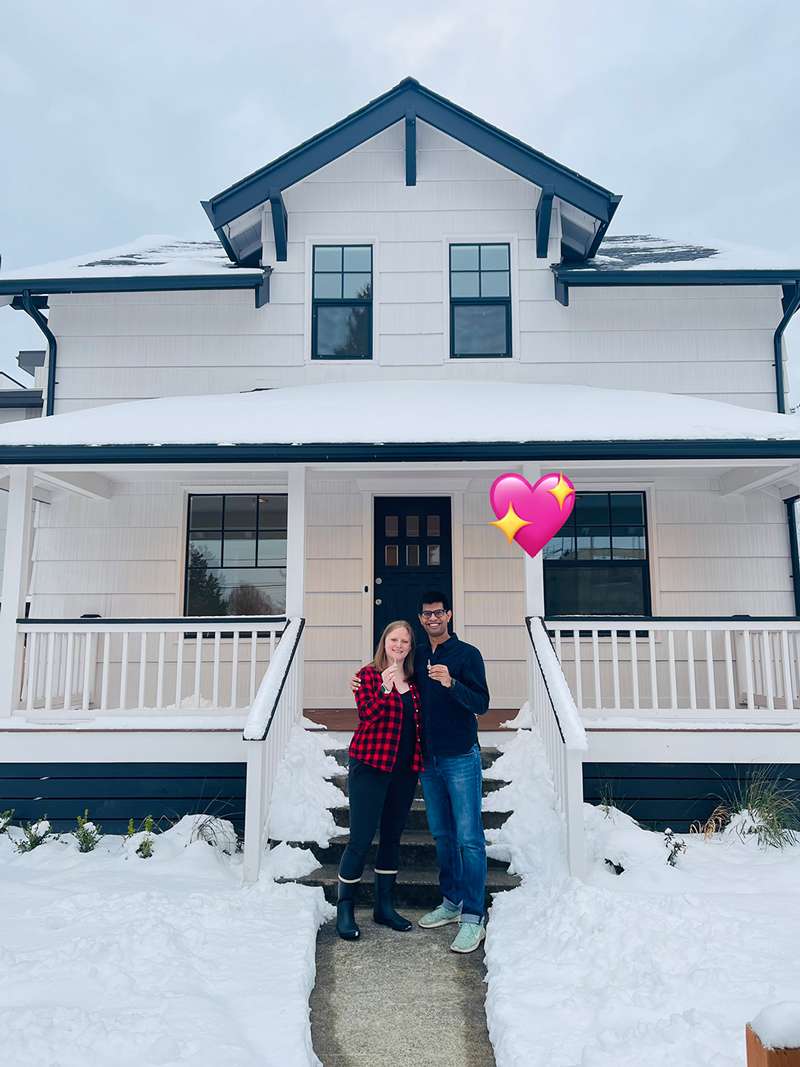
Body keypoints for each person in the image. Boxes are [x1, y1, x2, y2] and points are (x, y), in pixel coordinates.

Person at [354, 592, 490, 954]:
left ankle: (474, 917)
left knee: (469, 838)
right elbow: (390, 682)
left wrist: (452, 683)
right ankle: (450, 902)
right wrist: (363, 681)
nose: (433, 619)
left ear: (449, 615)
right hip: (427, 761)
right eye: (427, 614)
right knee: (442, 835)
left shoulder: (467, 655)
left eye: (438, 613)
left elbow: (482, 703)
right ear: (421, 618)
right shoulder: (416, 658)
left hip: (460, 756)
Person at [336, 620, 423, 942]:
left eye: (405, 641)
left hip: (404, 771)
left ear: (411, 647)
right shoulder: (367, 676)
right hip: (370, 766)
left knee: (391, 838)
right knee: (360, 839)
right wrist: (385, 688)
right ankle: (344, 909)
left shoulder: (415, 682)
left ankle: (383, 906)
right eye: (393, 639)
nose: (399, 645)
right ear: (383, 642)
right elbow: (368, 716)